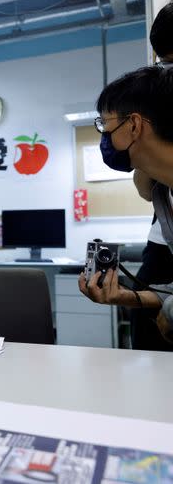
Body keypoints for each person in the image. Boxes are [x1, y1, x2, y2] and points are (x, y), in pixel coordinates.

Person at [78, 65, 173, 345]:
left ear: (134, 125)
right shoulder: (163, 196)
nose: (104, 137)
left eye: (105, 126)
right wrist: (126, 296)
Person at [126, 1, 173, 350]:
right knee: (146, 329)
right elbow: (147, 192)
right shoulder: (160, 108)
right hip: (162, 247)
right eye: (164, 63)